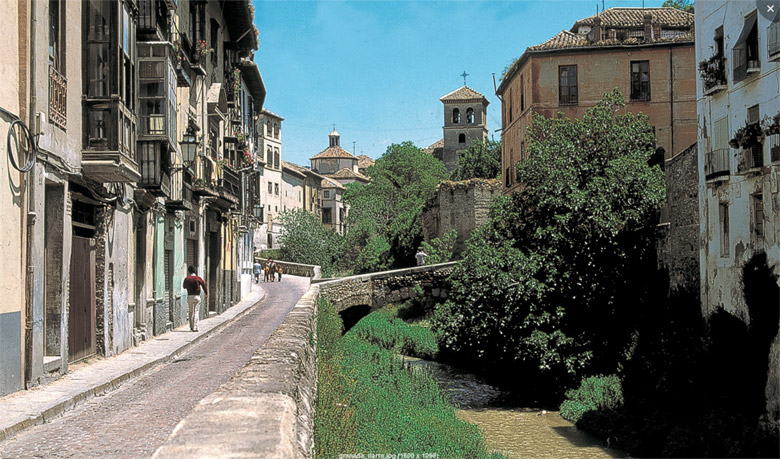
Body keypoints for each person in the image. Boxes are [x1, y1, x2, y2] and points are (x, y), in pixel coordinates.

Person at [183, 266, 208, 332]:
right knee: (196, 311)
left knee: (191, 312)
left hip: (190, 296)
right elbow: (204, 285)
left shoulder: (187, 279)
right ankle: (195, 327)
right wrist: (206, 293)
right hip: (197, 296)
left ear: (189, 271)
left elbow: (184, 286)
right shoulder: (198, 278)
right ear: (195, 271)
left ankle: (191, 326)